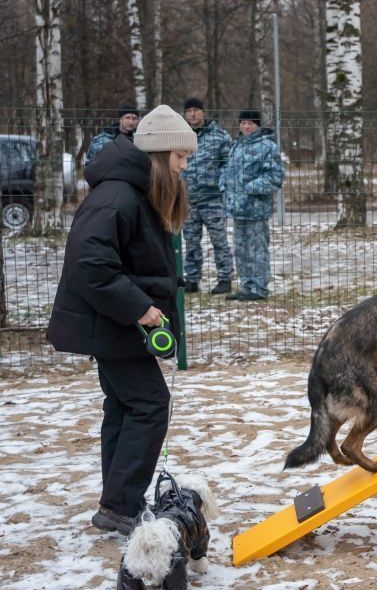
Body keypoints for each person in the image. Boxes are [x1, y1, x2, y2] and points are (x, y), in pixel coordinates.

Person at [47, 105, 197, 536]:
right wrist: (140, 307)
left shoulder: (133, 190)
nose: (185, 167)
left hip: (115, 323)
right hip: (113, 323)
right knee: (150, 406)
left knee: (125, 406)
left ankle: (117, 504)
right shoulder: (118, 194)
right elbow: (91, 263)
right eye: (180, 158)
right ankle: (121, 505)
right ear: (158, 154)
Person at [219, 108, 284, 301]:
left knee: (257, 250)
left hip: (256, 210)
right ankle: (246, 286)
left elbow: (275, 176)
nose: (246, 127)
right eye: (243, 123)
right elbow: (228, 171)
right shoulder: (236, 146)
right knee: (240, 250)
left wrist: (248, 187)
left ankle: (259, 288)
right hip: (238, 210)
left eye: (250, 123)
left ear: (258, 126)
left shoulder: (268, 147)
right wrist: (223, 185)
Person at [180, 97, 234, 295]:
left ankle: (225, 278)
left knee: (219, 241)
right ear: (184, 114)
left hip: (212, 200)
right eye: (189, 111)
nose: (193, 114)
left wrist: (219, 185)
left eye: (196, 110)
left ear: (203, 112)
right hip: (188, 202)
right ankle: (192, 279)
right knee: (191, 241)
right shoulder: (180, 137)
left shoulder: (219, 137)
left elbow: (229, 165)